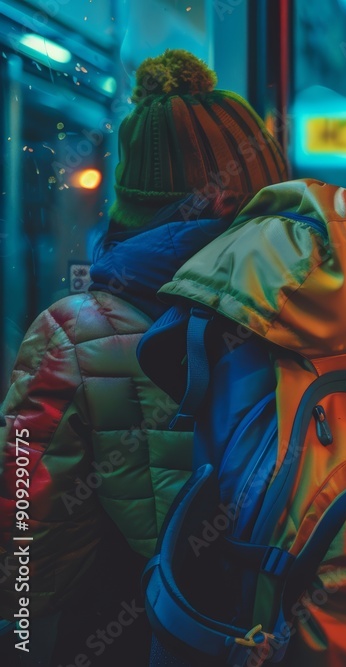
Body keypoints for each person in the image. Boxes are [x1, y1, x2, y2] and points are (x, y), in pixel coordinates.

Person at [0, 50, 288, 665]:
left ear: (133, 195)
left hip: (137, 634)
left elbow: (22, 540)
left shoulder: (76, 333)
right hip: (298, 629)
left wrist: (19, 633)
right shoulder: (323, 310)